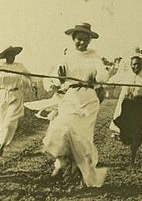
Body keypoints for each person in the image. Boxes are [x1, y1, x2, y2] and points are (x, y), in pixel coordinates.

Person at [42, 22, 109, 187]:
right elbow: (56, 77)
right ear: (73, 39)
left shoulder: (94, 56)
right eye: (79, 39)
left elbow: (103, 75)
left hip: (88, 99)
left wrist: (97, 77)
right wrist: (58, 80)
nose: (82, 43)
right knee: (60, 128)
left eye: (85, 40)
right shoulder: (66, 57)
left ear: (89, 41)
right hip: (70, 97)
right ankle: (61, 164)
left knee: (83, 138)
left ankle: (82, 172)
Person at [0, 45, 32, 156]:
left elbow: (29, 75)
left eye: (13, 54)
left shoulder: (19, 66)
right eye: (9, 54)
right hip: (3, 95)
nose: (12, 57)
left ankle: (3, 143)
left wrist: (33, 84)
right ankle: (2, 144)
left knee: (10, 122)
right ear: (5, 56)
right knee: (3, 122)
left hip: (15, 95)